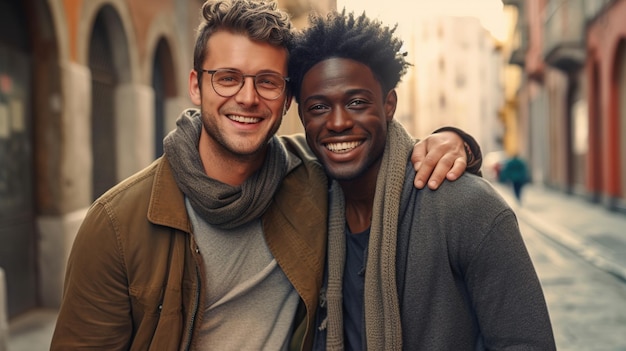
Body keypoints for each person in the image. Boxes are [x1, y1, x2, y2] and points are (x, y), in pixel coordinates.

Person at [50, 1, 481, 350]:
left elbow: (375, 155)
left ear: (288, 97)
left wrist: (454, 140)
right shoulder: (116, 224)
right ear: (196, 86)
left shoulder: (311, 181)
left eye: (268, 82)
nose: (248, 98)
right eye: (228, 78)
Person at [287, 10, 556, 350]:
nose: (338, 122)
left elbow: (526, 343)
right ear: (303, 118)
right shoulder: (305, 202)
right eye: (319, 107)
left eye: (356, 102)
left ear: (389, 105)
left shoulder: (467, 207)